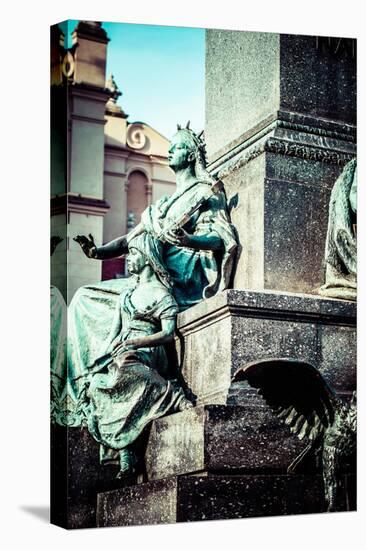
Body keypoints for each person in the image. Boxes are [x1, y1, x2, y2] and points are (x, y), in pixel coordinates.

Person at [69, 125, 238, 425]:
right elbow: (128, 240)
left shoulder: (206, 192)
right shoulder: (162, 204)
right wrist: (97, 252)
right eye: (170, 146)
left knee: (108, 303)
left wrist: (188, 240)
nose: (171, 151)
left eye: (178, 147)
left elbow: (221, 238)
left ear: (191, 155)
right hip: (149, 278)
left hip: (180, 278)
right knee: (83, 298)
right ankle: (87, 389)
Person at [84, 233, 192, 474]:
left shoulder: (161, 293)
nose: (128, 258)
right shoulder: (127, 295)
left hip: (149, 348)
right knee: (97, 384)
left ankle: (171, 393)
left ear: (146, 257)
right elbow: (115, 332)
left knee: (125, 366)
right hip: (124, 351)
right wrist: (103, 357)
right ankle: (126, 452)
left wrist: (135, 342)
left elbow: (168, 333)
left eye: (132, 253)